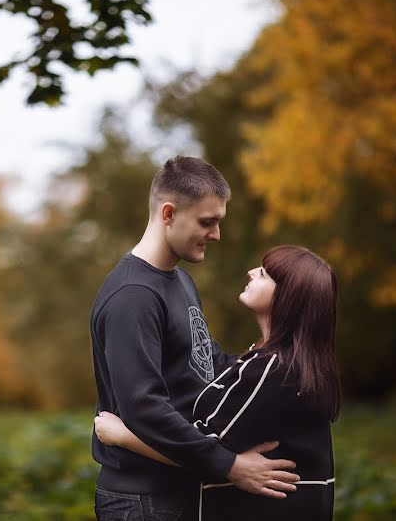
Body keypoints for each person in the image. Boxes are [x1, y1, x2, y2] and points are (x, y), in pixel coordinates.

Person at [90, 156, 300, 521]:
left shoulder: (180, 280)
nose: (216, 234)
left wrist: (269, 369)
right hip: (142, 500)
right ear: (168, 213)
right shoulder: (133, 296)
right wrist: (229, 465)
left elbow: (207, 365)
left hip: (183, 486)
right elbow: (144, 410)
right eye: (208, 222)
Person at [95, 245, 341, 520]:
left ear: (287, 296)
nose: (251, 273)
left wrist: (122, 436)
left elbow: (200, 448)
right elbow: (217, 366)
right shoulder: (297, 366)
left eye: (263, 274)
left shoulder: (270, 370)